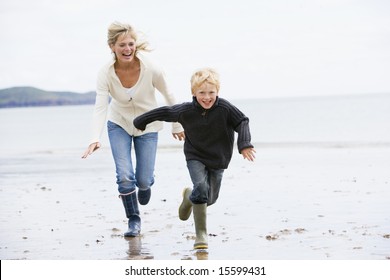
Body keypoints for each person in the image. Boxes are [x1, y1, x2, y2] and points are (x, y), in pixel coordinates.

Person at [81, 22, 184, 238]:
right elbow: (101, 106)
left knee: (143, 180)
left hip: (148, 125)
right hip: (118, 123)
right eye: (122, 45)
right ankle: (134, 220)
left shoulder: (152, 68)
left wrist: (176, 124)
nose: (127, 49)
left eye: (131, 44)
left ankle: (146, 185)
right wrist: (94, 138)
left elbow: (169, 95)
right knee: (125, 177)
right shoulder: (105, 73)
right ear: (112, 46)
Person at [133, 67, 256, 249]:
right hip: (195, 155)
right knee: (201, 187)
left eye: (211, 93)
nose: (207, 97)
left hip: (218, 159)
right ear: (194, 93)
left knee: (210, 198)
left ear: (217, 92)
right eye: (202, 93)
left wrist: (244, 143)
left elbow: (242, 121)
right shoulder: (186, 110)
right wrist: (141, 120)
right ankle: (201, 235)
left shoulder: (225, 108)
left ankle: (188, 197)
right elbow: (166, 112)